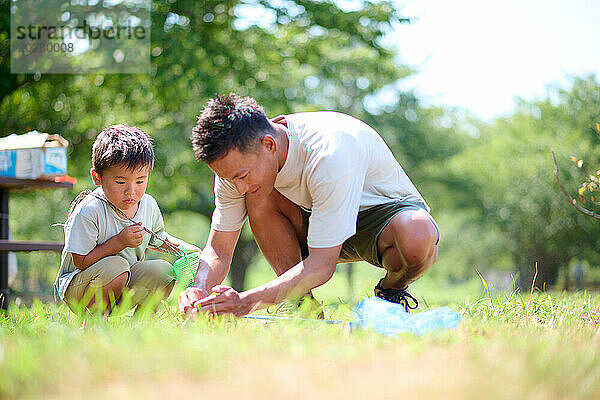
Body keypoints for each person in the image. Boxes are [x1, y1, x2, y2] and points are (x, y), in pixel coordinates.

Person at [179, 94, 439, 317]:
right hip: (314, 223)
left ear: (268, 145)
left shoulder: (329, 154)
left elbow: (322, 265)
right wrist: (198, 292)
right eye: (229, 178)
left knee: (418, 234)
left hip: (380, 221)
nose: (238, 188)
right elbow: (219, 249)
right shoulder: (236, 165)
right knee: (258, 193)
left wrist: (245, 302)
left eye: (242, 176)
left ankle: (391, 292)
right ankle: (303, 306)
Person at [54, 125, 200, 313]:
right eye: (120, 182)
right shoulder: (90, 210)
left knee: (163, 271)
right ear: (97, 177)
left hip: (123, 282)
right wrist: (119, 242)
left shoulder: (148, 205)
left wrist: (187, 250)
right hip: (81, 289)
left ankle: (140, 326)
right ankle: (95, 321)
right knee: (117, 265)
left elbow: (159, 238)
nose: (131, 191)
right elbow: (80, 261)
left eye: (140, 181)